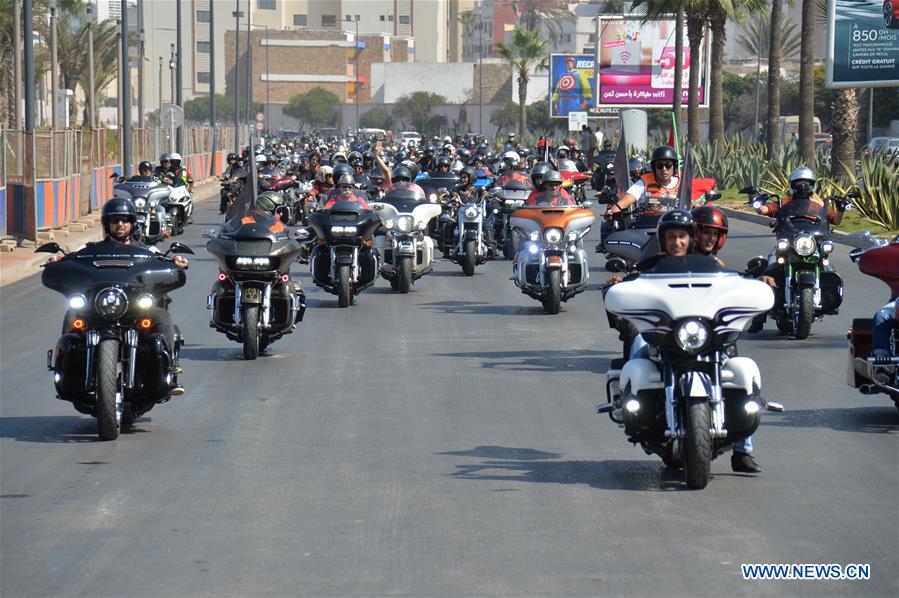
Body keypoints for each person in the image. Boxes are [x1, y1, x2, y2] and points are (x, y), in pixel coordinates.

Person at [78, 198, 187, 394]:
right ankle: (68, 369)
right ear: (107, 224)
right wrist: (58, 261)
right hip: (101, 308)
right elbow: (74, 260)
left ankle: (169, 371)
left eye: (125, 220)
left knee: (162, 317)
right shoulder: (91, 250)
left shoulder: (146, 250)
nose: (120, 224)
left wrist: (175, 262)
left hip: (136, 309)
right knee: (73, 316)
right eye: (115, 220)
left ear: (132, 223)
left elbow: (163, 260)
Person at [609, 145, 680, 215]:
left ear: (674, 166)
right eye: (659, 165)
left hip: (677, 225)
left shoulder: (683, 184)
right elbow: (622, 204)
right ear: (654, 167)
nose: (664, 169)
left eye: (668, 165)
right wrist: (611, 212)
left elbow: (690, 205)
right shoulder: (643, 183)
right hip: (649, 225)